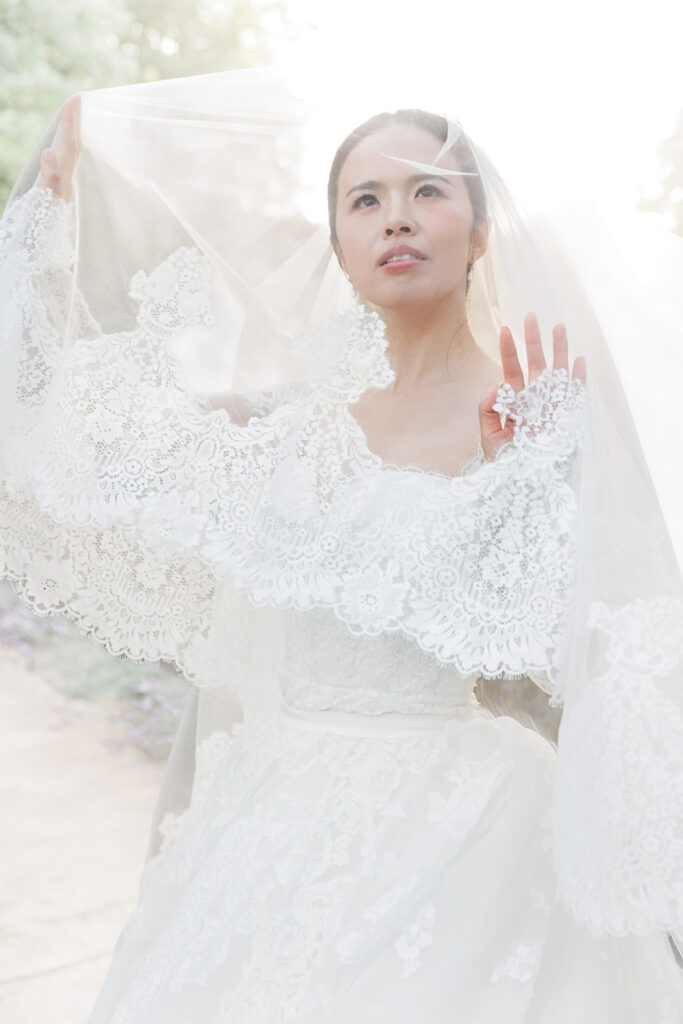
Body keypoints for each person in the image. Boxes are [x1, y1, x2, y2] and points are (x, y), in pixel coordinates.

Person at [1, 70, 682, 1022]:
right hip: (267, 815)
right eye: (366, 199)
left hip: (455, 835)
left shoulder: (525, 411)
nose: (395, 218)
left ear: (480, 232)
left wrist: (540, 481)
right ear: (339, 243)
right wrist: (43, 227)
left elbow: (601, 641)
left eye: (427, 192)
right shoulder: (292, 420)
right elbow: (73, 424)